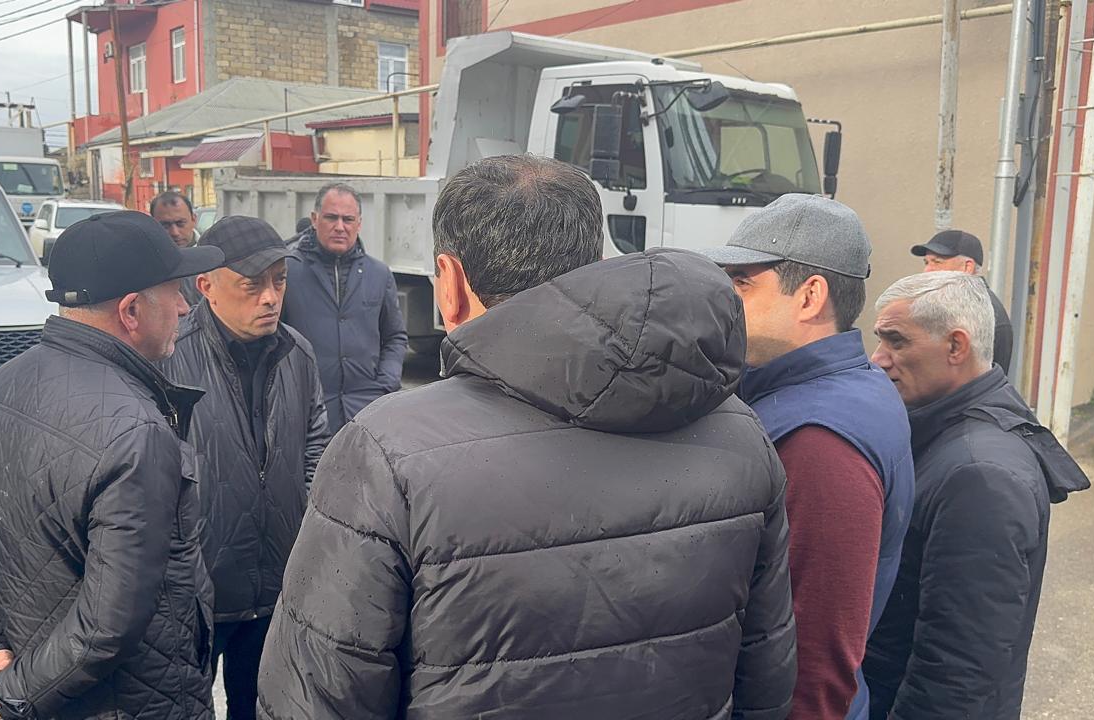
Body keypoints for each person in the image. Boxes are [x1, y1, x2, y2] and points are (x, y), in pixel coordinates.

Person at [257, 155, 797, 719]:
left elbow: (317, 697)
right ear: (595, 264)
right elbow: (766, 677)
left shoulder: (385, 454)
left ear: (450, 281)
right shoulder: (741, 433)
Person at [0, 211, 225, 719]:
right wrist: (8, 690)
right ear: (131, 310)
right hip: (135, 700)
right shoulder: (136, 433)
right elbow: (107, 625)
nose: (186, 307)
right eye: (176, 292)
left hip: (39, 682)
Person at [699, 194, 914, 720]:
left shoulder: (820, 439)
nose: (726, 298)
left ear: (810, 296)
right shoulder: (845, 386)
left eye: (743, 282)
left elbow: (815, 655)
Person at [863, 271, 1090, 720]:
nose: (878, 358)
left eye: (896, 341)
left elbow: (958, 668)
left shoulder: (979, 474)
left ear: (956, 346)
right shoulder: (945, 437)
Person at [159, 216, 330, 720]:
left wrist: (305, 530)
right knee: (184, 708)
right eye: (252, 285)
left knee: (258, 707)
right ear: (206, 286)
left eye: (279, 280)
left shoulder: (297, 353)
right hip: (197, 589)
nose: (270, 297)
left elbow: (316, 449)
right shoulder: (170, 356)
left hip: (276, 582)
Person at [282, 183, 407, 434]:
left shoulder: (378, 274)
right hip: (307, 413)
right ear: (315, 219)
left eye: (348, 219)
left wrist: (386, 384)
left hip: (365, 413)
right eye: (331, 217)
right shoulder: (288, 272)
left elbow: (395, 336)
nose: (340, 227)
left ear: (359, 223)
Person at [911, 229, 1013, 373]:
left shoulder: (978, 311)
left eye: (937, 262)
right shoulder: (951, 303)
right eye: (926, 262)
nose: (927, 270)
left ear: (967, 267)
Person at [152, 190, 204, 305]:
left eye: (180, 223)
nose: (174, 232)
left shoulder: (213, 257)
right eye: (165, 225)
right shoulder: (146, 261)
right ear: (153, 224)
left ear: (194, 219)